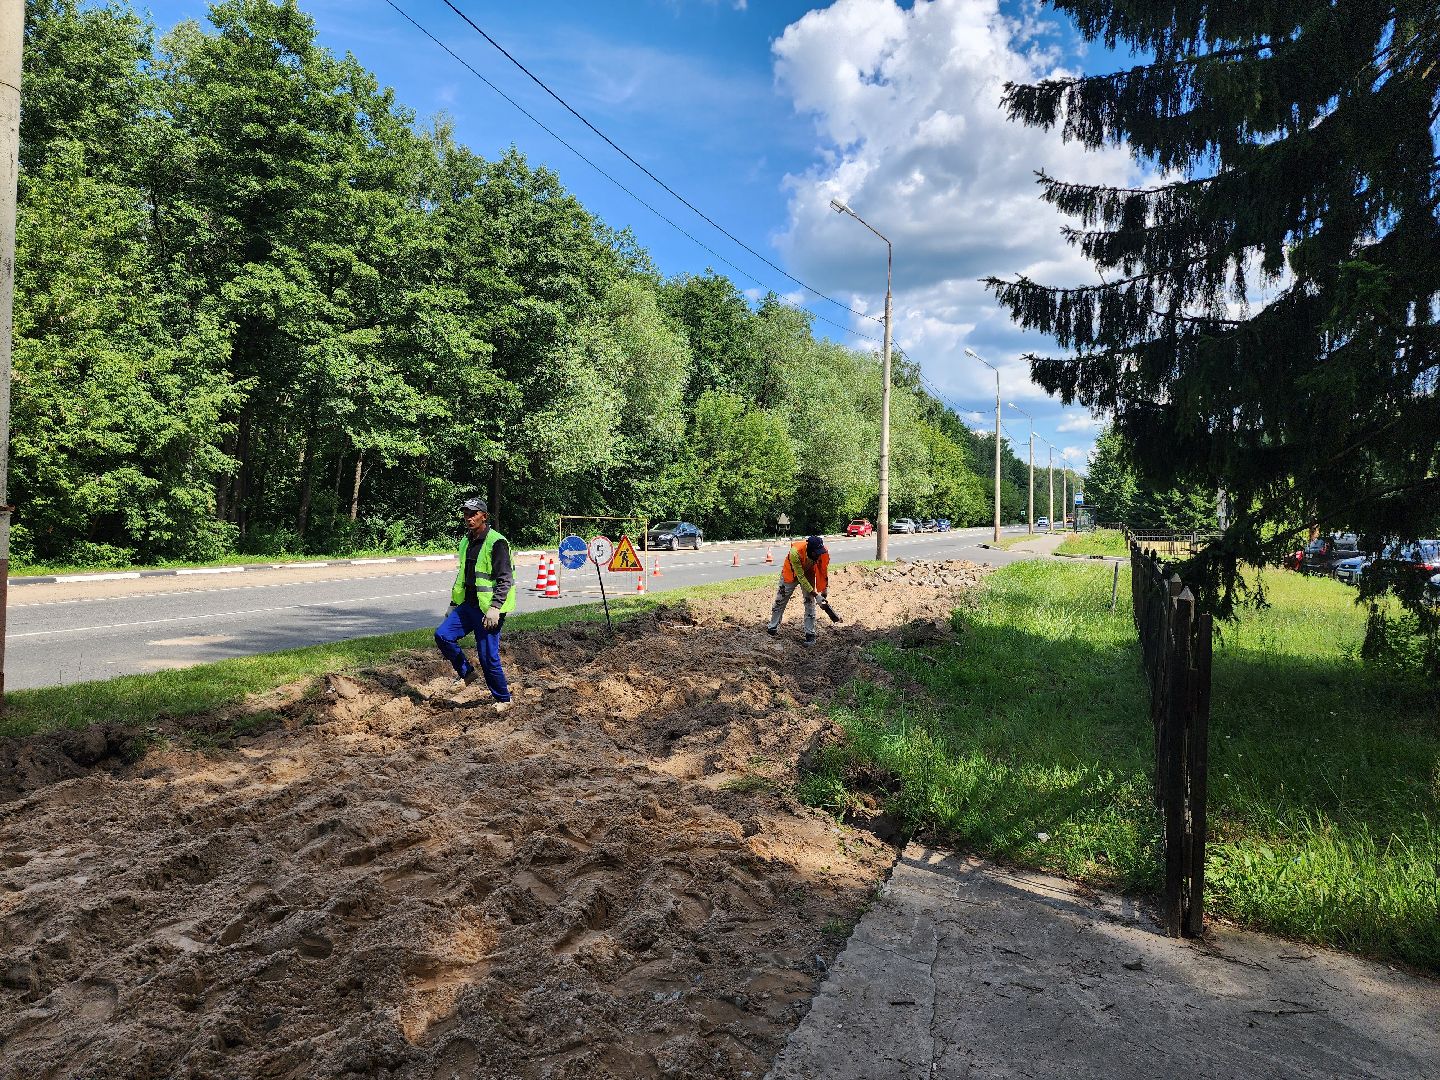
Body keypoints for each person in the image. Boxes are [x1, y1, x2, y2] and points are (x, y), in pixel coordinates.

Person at [434, 496, 516, 711]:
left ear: (484, 516)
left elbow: (505, 579)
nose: (469, 518)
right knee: (443, 635)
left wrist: (495, 608)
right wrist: (453, 604)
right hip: (468, 605)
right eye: (466, 514)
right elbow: (463, 575)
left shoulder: (496, 542)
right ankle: (467, 673)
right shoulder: (466, 541)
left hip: (488, 610)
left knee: (488, 656)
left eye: (473, 514)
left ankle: (504, 699)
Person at [767, 534, 829, 647]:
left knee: (809, 602)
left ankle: (810, 635)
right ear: (810, 550)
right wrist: (816, 595)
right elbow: (800, 577)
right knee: (780, 599)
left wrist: (824, 589)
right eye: (816, 552)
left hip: (809, 572)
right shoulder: (795, 552)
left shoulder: (822, 552)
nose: (819, 554)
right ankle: (772, 627)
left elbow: (823, 569)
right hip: (791, 573)